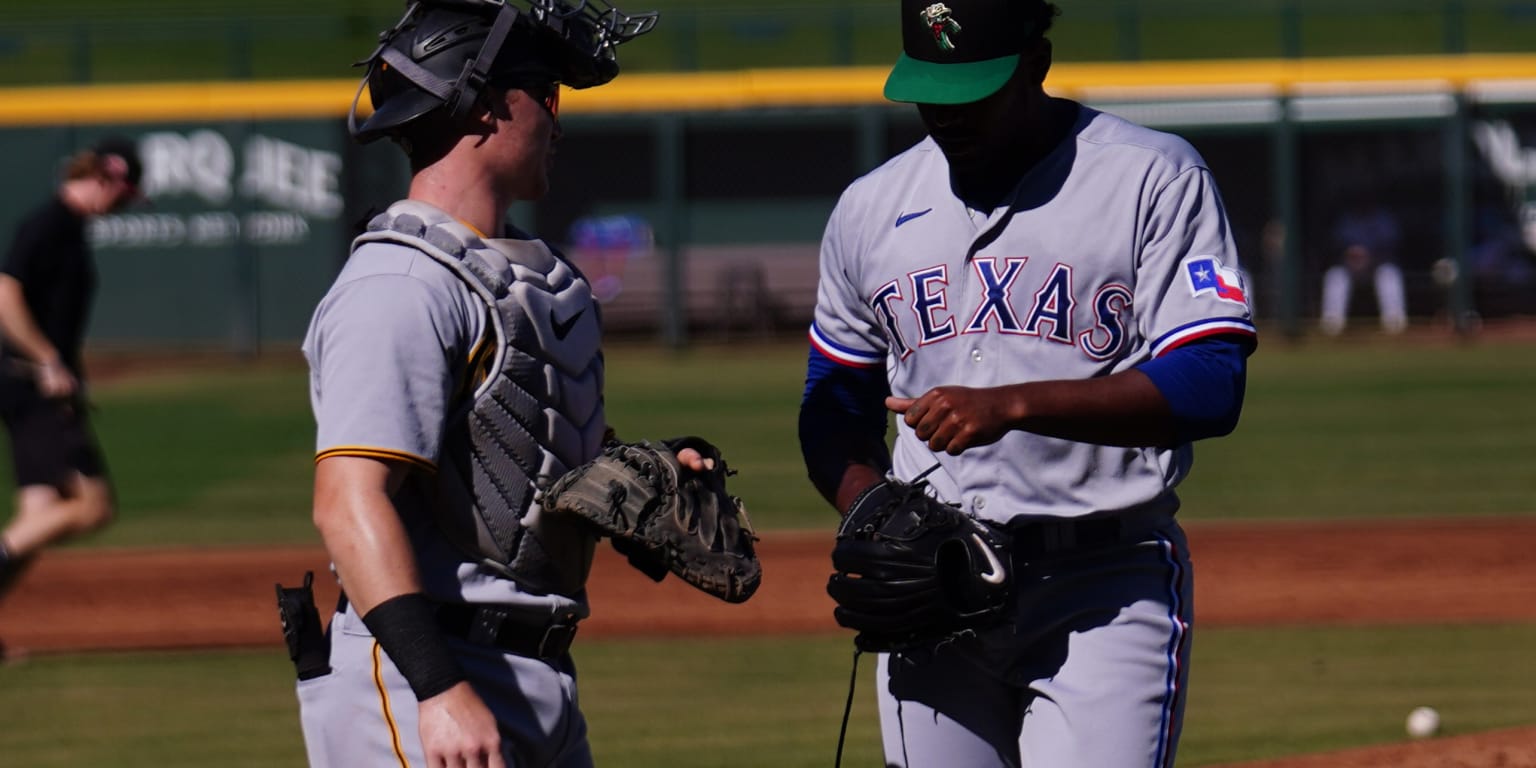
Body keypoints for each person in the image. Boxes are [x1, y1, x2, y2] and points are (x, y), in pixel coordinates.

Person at [798, 1, 1257, 766]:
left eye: (973, 93)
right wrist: (873, 511)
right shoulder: (870, 208)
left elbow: (1211, 382)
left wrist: (1015, 405)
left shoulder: (1152, 176)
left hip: (1104, 586)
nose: (949, 117)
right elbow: (834, 406)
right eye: (932, 94)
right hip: (933, 591)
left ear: (1035, 64)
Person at [292, 1, 692, 766]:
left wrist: (642, 474)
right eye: (545, 94)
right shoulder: (400, 285)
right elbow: (348, 501)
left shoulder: (519, 278)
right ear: (481, 106)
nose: (557, 121)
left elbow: (521, 450)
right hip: (425, 675)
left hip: (529, 667)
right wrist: (438, 690)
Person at [0, 138, 140, 617]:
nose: (120, 207)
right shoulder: (51, 224)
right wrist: (47, 360)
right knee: (92, 506)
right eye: (122, 196)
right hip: (32, 383)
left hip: (26, 382)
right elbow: (4, 292)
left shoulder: (68, 228)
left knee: (38, 515)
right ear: (104, 179)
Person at [1319, 194, 1408, 335]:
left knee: (1389, 273)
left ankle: (1394, 322)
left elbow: (1391, 245)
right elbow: (1337, 246)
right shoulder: (1346, 219)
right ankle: (1333, 324)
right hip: (1350, 266)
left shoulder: (1383, 218)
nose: (1363, 203)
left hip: (1377, 265)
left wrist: (1372, 257)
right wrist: (1350, 256)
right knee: (1335, 275)